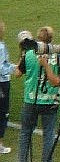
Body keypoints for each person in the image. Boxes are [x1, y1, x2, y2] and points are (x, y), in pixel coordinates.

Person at [16, 26, 60, 162]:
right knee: (49, 134)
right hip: (50, 100)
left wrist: (22, 54)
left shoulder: (29, 53)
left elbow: (17, 73)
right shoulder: (57, 54)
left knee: (25, 133)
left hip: (31, 99)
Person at [0, 20, 15, 155]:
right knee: (2, 113)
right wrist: (15, 68)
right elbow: (1, 67)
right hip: (2, 83)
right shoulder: (1, 47)